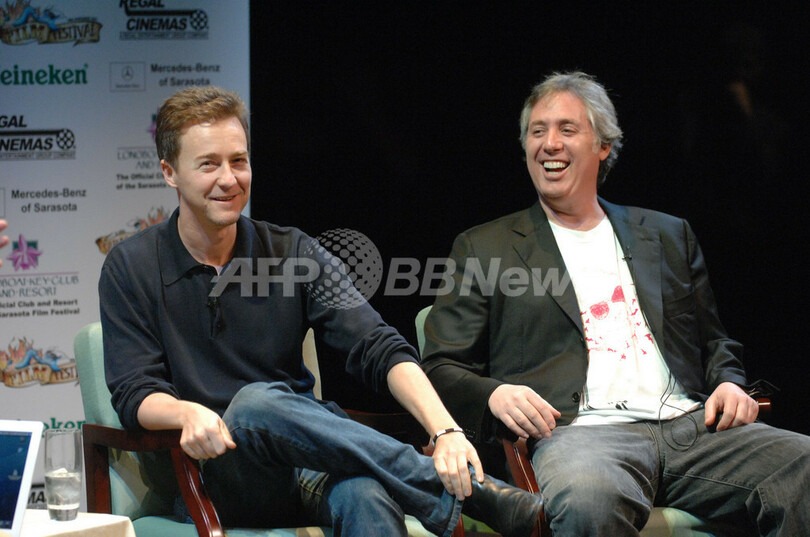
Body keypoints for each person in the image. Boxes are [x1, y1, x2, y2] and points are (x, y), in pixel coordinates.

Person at [99, 86, 543, 537]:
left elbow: (376, 345)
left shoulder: (291, 251)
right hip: (212, 471)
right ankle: (467, 491)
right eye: (209, 164)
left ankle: (448, 486)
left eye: (239, 161)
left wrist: (446, 431)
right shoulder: (131, 266)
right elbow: (136, 391)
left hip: (304, 462)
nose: (229, 179)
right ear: (170, 172)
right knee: (254, 403)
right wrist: (184, 414)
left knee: (365, 495)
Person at [421, 71, 810, 536]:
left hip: (692, 429)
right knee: (589, 499)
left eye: (567, 129)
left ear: (603, 145)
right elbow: (440, 367)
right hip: (580, 437)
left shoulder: (667, 235)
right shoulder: (486, 247)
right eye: (537, 131)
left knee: (803, 464)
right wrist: (494, 394)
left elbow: (713, 342)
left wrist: (728, 382)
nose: (549, 143)